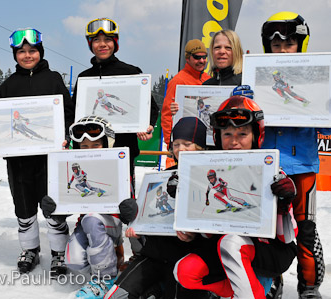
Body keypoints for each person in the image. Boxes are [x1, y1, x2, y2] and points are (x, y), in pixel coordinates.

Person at [173, 96, 298, 299]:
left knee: (231, 242)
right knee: (184, 270)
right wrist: (185, 205)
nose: (234, 141)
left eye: (242, 134)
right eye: (228, 134)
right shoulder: (208, 170)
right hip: (225, 241)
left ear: (256, 135)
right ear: (217, 136)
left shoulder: (272, 172)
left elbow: (288, 237)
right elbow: (207, 234)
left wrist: (283, 204)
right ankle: (239, 292)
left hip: (268, 250)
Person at [0, 28, 75, 276]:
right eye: (21, 51)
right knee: (24, 207)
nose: (27, 55)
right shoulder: (9, 84)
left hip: (49, 160)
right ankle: (30, 249)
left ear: (40, 52)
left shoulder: (53, 79)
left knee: (53, 207)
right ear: (15, 55)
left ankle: (59, 253)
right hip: (19, 162)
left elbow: (68, 112)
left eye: (32, 51)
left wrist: (64, 137)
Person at [261, 11, 328, 298]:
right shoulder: (261, 77)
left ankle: (309, 286)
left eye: (289, 44)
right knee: (264, 227)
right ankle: (270, 281)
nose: (282, 50)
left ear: (301, 44)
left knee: (305, 228)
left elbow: (326, 123)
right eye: (276, 46)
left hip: (301, 164)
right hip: (266, 162)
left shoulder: (316, 79)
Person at [105, 117, 210, 299]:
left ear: (200, 146)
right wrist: (136, 220)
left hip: (188, 259)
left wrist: (195, 234)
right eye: (176, 144)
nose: (181, 150)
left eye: (187, 144)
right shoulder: (161, 177)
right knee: (115, 297)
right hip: (155, 254)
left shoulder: (208, 176)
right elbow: (149, 213)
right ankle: (155, 288)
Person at [41, 115, 138, 299]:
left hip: (110, 222)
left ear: (107, 144)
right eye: (84, 147)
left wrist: (129, 209)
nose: (89, 150)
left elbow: (131, 208)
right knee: (74, 261)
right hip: (86, 222)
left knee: (93, 215)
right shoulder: (74, 169)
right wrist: (55, 207)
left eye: (96, 145)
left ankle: (104, 277)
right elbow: (67, 198)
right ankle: (108, 258)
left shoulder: (118, 167)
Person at [72, 17, 159, 187]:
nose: (102, 44)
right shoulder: (84, 78)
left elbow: (151, 108)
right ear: (90, 44)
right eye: (96, 40)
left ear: (115, 43)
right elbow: (75, 112)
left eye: (108, 40)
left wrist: (146, 125)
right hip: (91, 151)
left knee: (123, 203)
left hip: (122, 150)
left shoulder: (131, 72)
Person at [161, 39, 211, 156]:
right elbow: (167, 115)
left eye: (204, 57)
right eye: (197, 57)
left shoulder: (208, 79)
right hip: (186, 145)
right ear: (187, 58)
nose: (202, 61)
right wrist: (171, 144)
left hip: (205, 143)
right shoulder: (178, 81)